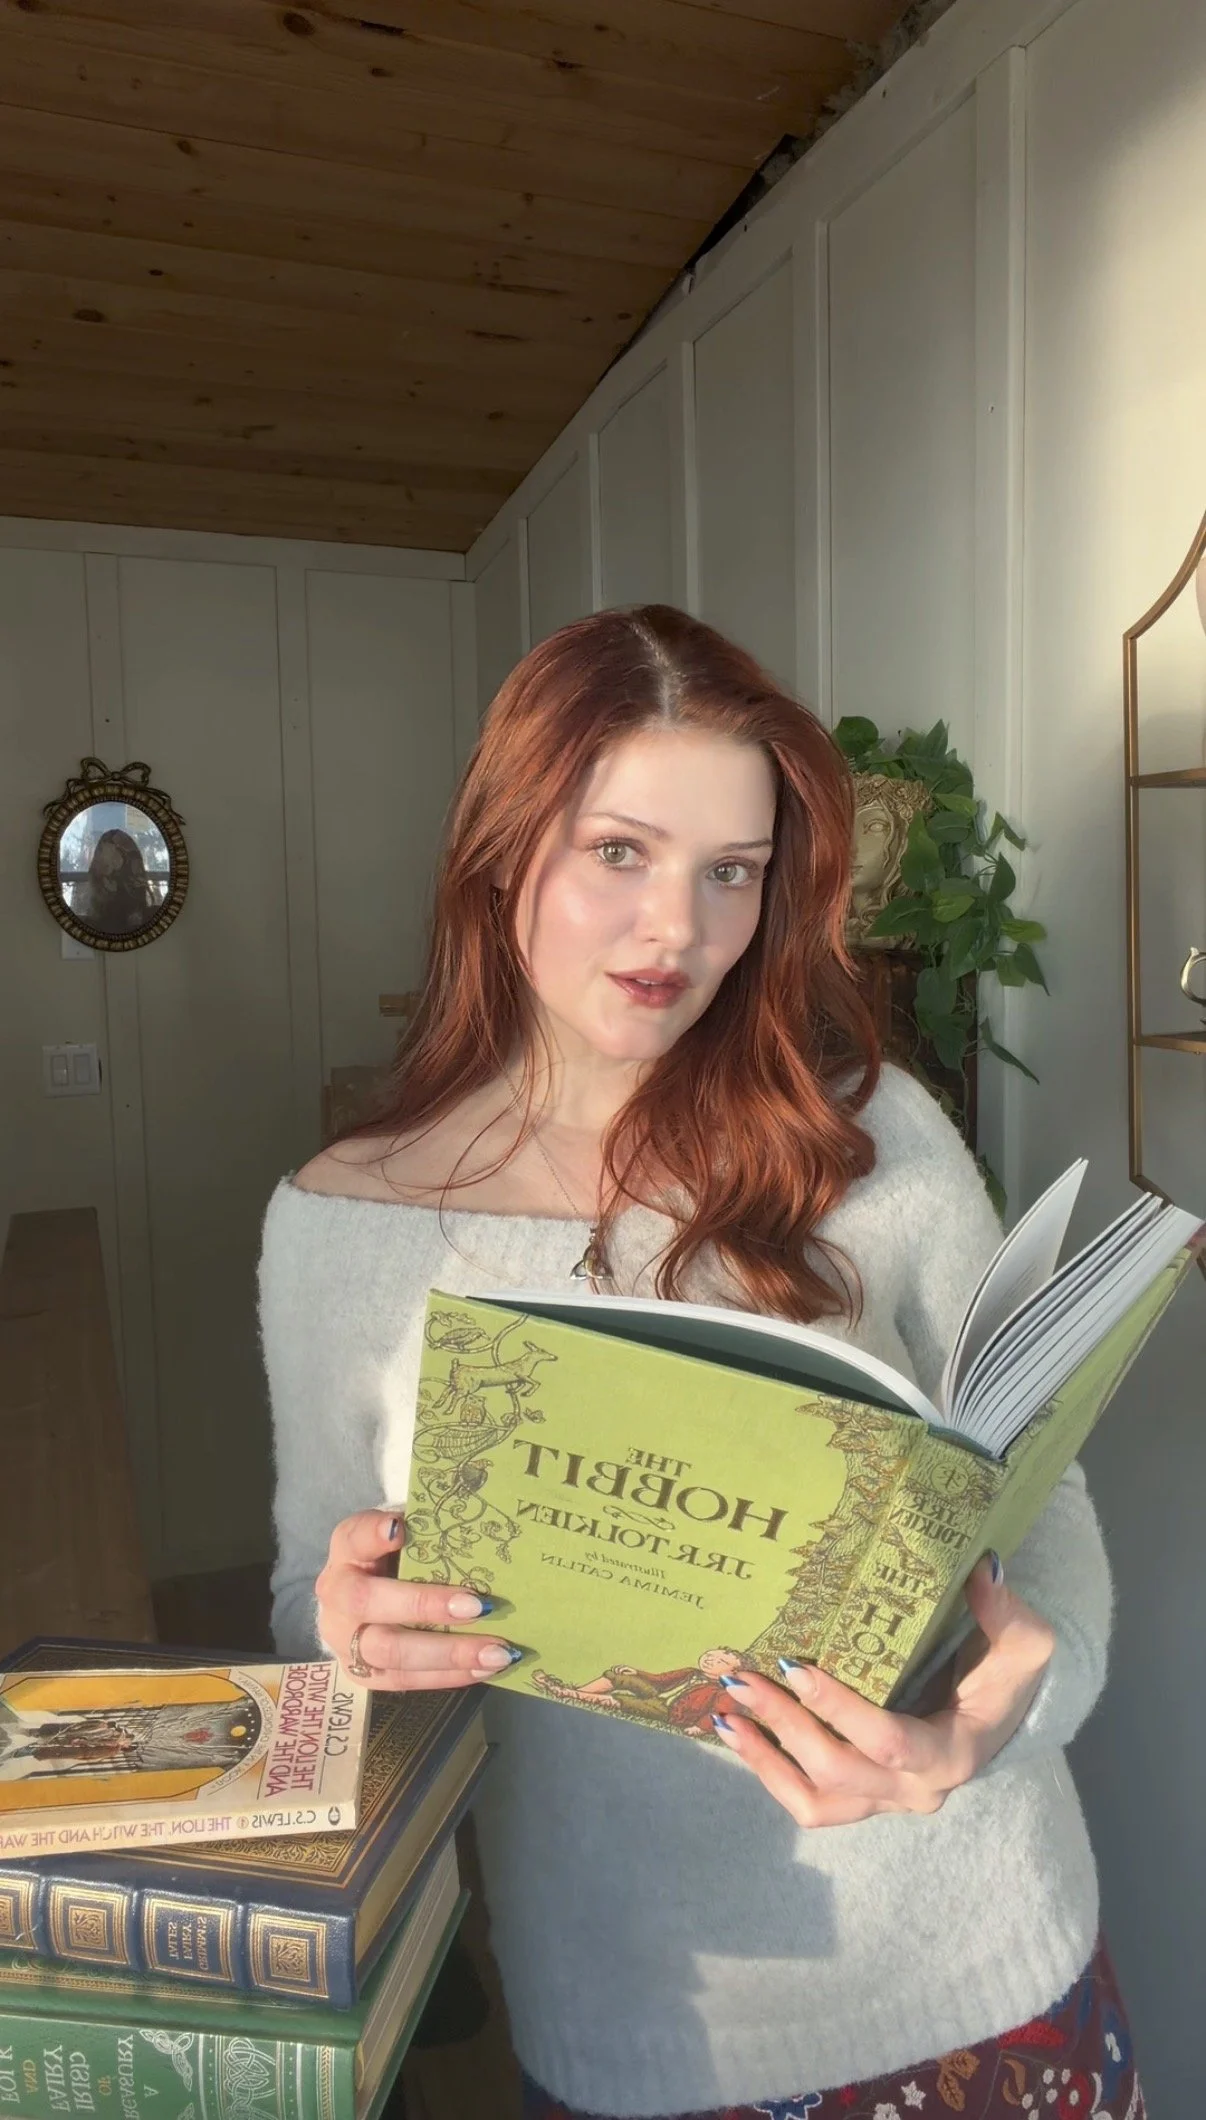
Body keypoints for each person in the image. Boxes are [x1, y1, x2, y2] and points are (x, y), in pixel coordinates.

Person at [260, 607, 1141, 2120]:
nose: (677, 930)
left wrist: (984, 1727)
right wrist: (343, 1630)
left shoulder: (877, 1139)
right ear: (499, 848)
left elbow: (1046, 1535)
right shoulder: (341, 1228)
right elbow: (307, 1611)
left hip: (988, 1965)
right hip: (646, 2022)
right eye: (619, 852)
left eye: (728, 873)